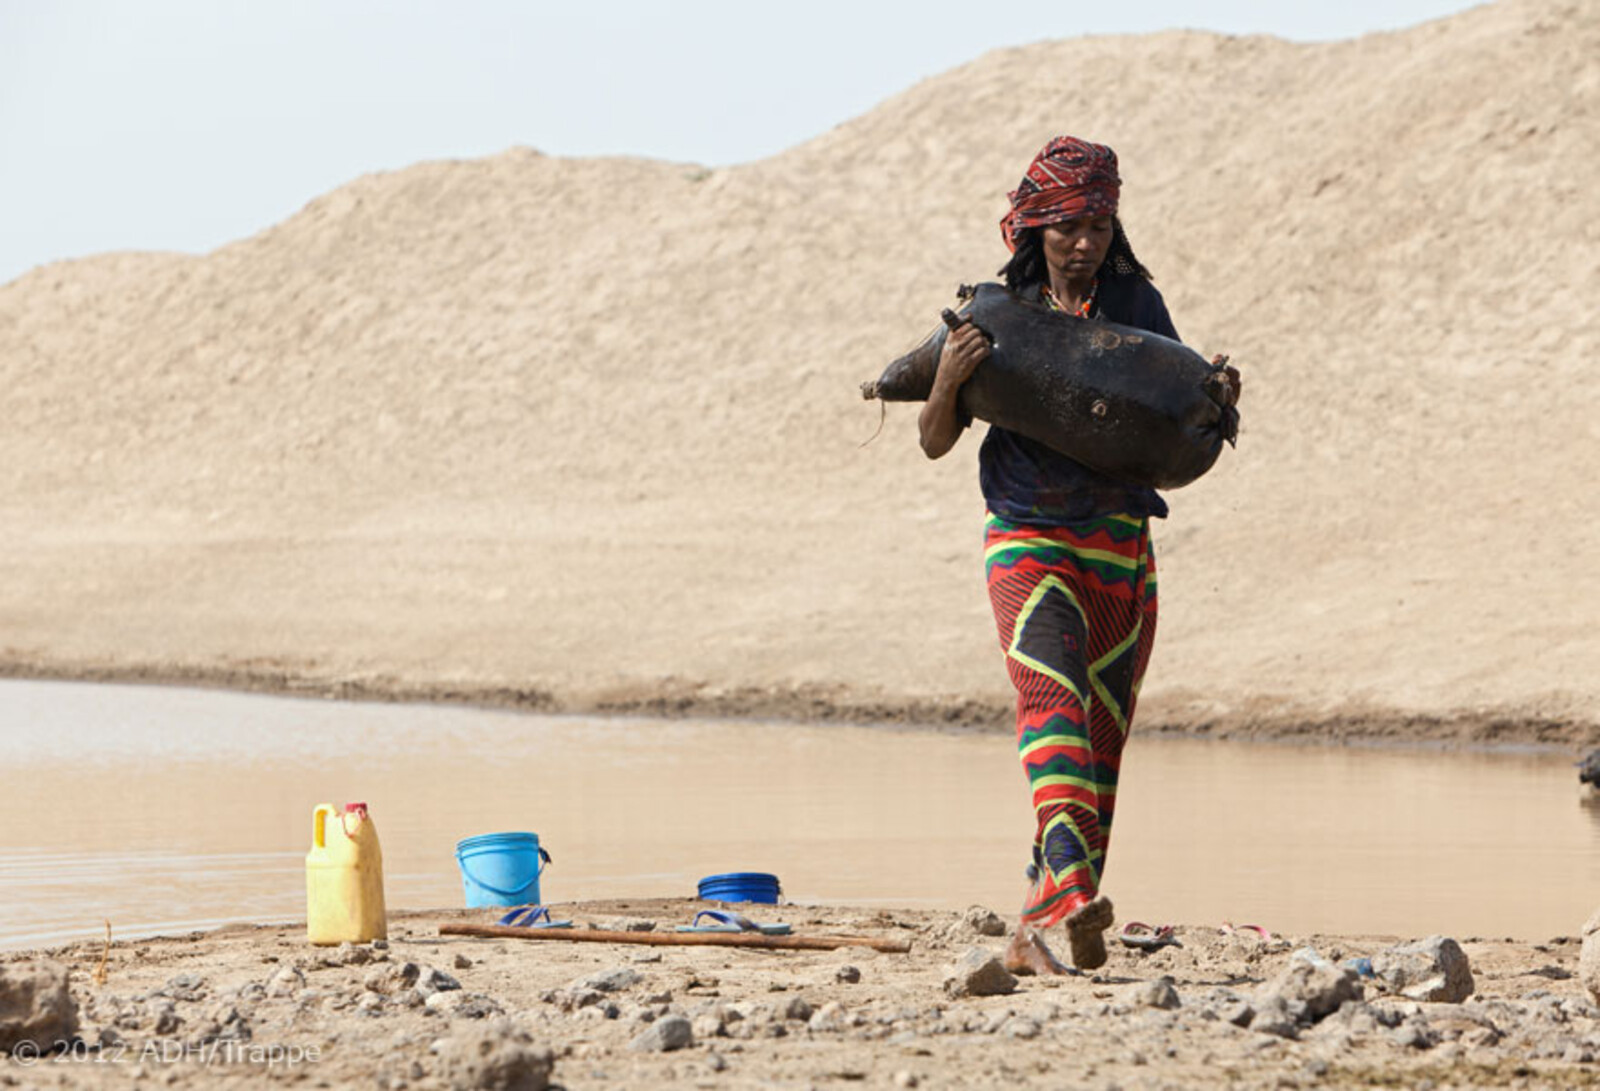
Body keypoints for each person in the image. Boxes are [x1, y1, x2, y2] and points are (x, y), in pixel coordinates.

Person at [918, 135, 1235, 975]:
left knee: (1097, 746)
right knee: (1049, 705)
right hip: (1026, 535)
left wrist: (1216, 402)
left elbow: (1176, 417)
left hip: (1121, 551)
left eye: (1097, 225)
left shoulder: (1137, 306)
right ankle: (1066, 905)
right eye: (1065, 228)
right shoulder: (999, 312)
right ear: (1031, 228)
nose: (1083, 244)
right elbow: (934, 442)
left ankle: (1035, 930)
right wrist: (950, 378)